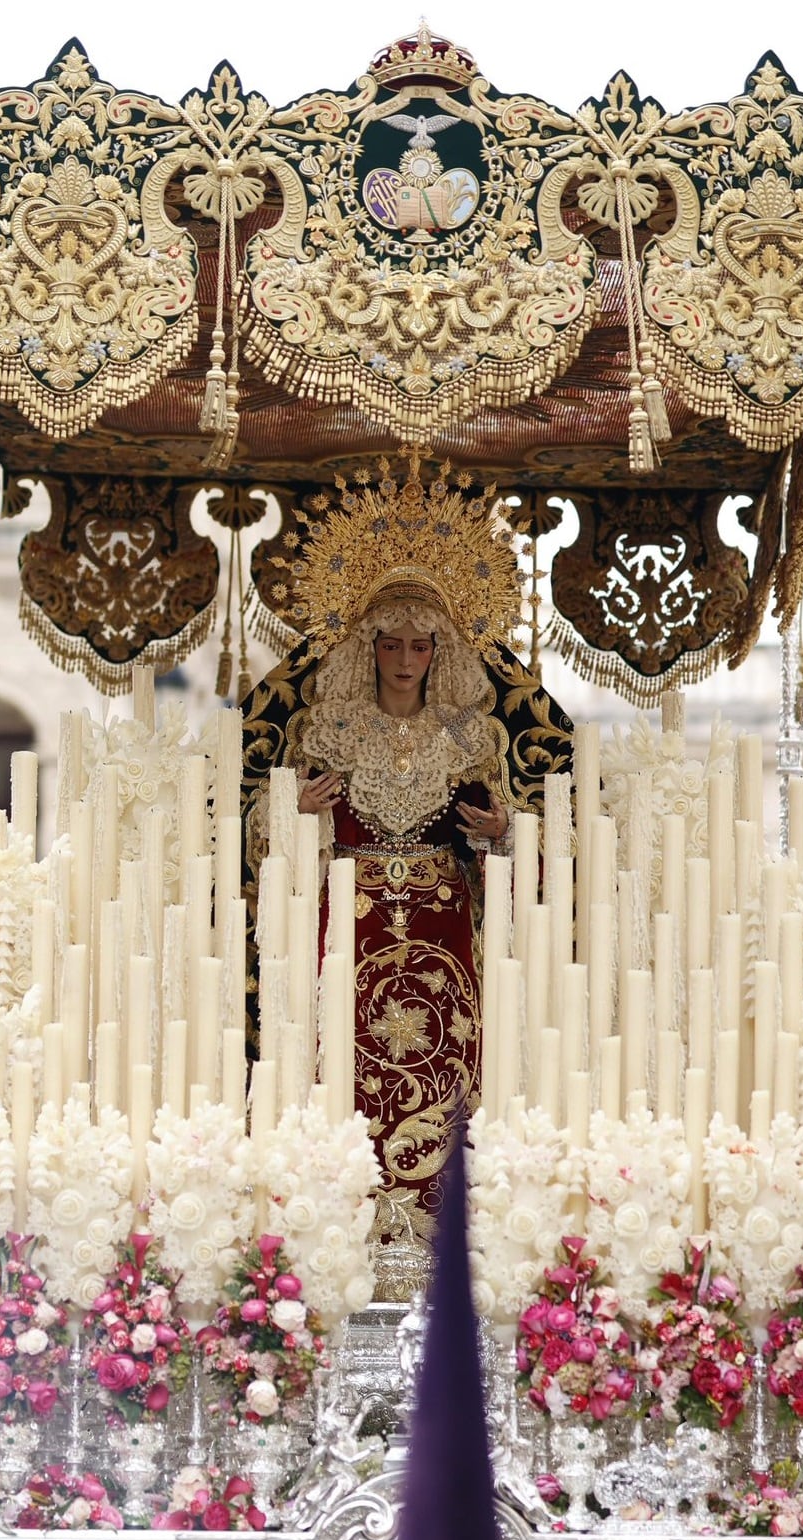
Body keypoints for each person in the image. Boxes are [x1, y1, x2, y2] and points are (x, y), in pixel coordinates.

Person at [241, 456, 573, 1259]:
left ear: (440, 651)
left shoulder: (469, 733)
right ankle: (345, 1222)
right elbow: (262, 834)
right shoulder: (329, 729)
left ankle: (439, 1225)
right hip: (346, 912)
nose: (402, 658)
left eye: (419, 645)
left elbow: (512, 836)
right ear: (366, 645)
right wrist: (294, 814)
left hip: (442, 918)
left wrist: (500, 830)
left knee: (446, 1051)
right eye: (388, 642)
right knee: (342, 1052)